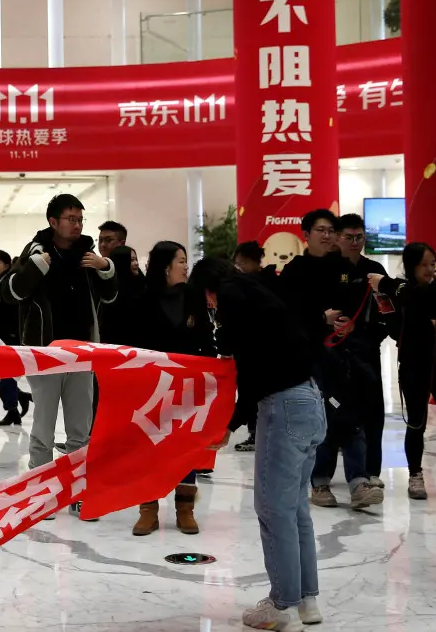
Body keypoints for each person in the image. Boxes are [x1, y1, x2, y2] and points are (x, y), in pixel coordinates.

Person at [191, 257, 327, 631]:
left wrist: (231, 423)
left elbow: (252, 368)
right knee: (295, 508)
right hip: (310, 400)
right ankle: (306, 599)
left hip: (282, 405)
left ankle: (281, 601)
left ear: (208, 290)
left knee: (273, 509)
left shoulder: (232, 297)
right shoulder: (258, 289)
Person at [0, 194, 117, 520]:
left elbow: (110, 296)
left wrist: (106, 268)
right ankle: (41, 495)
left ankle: (79, 493)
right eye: (70, 218)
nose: (77, 224)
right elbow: (10, 293)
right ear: (53, 222)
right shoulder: (36, 252)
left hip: (82, 353)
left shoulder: (88, 255)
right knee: (43, 429)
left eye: (80, 219)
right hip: (45, 354)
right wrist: (34, 269)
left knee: (80, 429)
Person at [280, 210, 380, 511]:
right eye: (320, 230)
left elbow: (356, 305)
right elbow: (286, 314)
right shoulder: (294, 271)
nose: (326, 235)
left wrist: (350, 323)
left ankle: (358, 482)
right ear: (306, 235)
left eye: (330, 230)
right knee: (321, 417)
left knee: (352, 414)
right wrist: (318, 319)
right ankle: (320, 482)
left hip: (346, 354)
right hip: (311, 357)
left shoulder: (343, 267)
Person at [129, 242, 215, 537]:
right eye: (181, 260)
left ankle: (184, 509)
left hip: (187, 386)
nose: (185, 266)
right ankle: (148, 510)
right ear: (165, 266)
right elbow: (134, 345)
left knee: (184, 447)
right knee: (149, 448)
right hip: (153, 386)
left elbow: (205, 336)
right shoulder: (143, 298)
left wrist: (215, 366)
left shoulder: (193, 296)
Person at [369, 243, 436, 501]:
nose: (429, 270)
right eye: (423, 265)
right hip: (414, 363)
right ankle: (415, 474)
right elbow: (396, 326)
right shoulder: (399, 294)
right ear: (411, 266)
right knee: (416, 421)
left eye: (432, 264)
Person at [335, 214, 391, 489]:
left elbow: (388, 310)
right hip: (333, 351)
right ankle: (322, 475)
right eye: (349, 237)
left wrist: (364, 331)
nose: (355, 242)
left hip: (366, 349)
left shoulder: (375, 268)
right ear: (337, 237)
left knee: (372, 410)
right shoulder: (327, 268)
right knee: (335, 411)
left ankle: (371, 471)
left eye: (359, 237)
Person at [230, 241, 277, 452]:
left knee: (254, 392)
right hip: (262, 350)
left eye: (241, 263)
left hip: (260, 350)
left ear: (251, 262)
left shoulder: (254, 285)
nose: (238, 268)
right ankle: (255, 433)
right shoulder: (268, 281)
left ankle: (257, 433)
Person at [0, 250, 32, 427]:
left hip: (10, 336)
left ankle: (13, 408)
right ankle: (17, 401)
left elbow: (14, 311)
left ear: (6, 265)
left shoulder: (10, 282)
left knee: (3, 375)